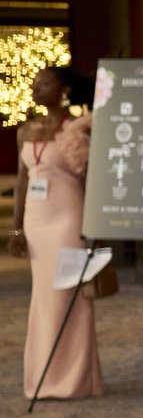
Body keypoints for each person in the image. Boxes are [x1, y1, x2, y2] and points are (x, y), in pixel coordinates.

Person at [12, 66, 102, 400]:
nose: (36, 88)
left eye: (44, 83)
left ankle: (76, 380)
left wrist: (97, 227)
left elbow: (93, 181)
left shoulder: (81, 129)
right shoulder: (25, 130)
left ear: (63, 90)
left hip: (69, 218)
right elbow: (22, 182)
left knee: (69, 296)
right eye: (34, 83)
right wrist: (17, 227)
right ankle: (42, 379)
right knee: (44, 298)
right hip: (37, 223)